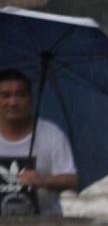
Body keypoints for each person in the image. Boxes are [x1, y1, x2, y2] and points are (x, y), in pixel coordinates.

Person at [0, 69, 78, 216]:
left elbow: (71, 179)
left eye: (20, 95)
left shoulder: (52, 135)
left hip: (45, 223)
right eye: (5, 95)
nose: (13, 102)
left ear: (30, 99)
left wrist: (43, 180)